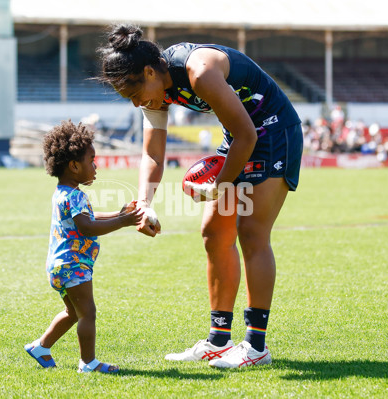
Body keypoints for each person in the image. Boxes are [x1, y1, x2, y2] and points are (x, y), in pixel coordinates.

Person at [97, 24, 303, 368]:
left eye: (134, 92)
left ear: (150, 71)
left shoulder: (199, 71)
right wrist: (143, 204)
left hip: (273, 132)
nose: (135, 103)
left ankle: (256, 346)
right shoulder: (155, 90)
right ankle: (219, 340)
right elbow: (153, 154)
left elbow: (247, 134)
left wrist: (220, 185)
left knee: (252, 234)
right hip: (240, 136)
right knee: (214, 233)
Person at [24, 120, 143, 373]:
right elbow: (86, 227)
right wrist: (123, 221)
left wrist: (117, 213)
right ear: (74, 165)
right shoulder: (75, 195)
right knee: (88, 313)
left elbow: (87, 217)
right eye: (92, 160)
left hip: (60, 265)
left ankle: (41, 347)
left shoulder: (63, 193)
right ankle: (88, 363)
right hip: (73, 265)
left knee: (73, 312)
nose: (95, 166)